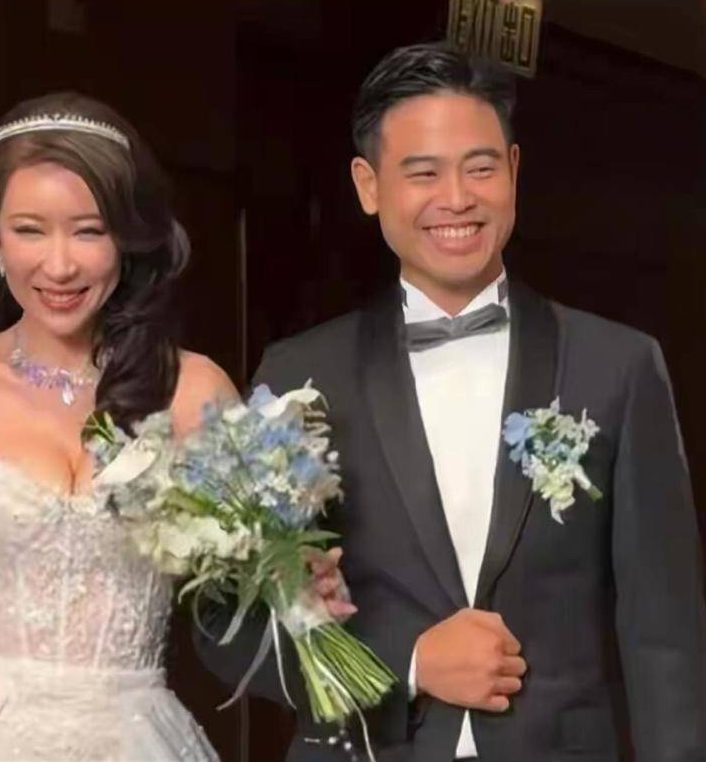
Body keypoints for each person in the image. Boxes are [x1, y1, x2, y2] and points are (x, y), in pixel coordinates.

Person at [197, 42, 706, 761]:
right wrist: (406, 662)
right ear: (368, 185)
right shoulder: (301, 375)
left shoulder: (618, 366)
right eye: (424, 173)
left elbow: (665, 636)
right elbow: (226, 621)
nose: (458, 198)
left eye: (481, 167)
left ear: (515, 171)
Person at [0, 91, 245, 761]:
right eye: (30, 230)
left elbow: (243, 588)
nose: (60, 265)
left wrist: (299, 582)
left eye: (89, 231)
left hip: (140, 735)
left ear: (127, 240)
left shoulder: (196, 391)